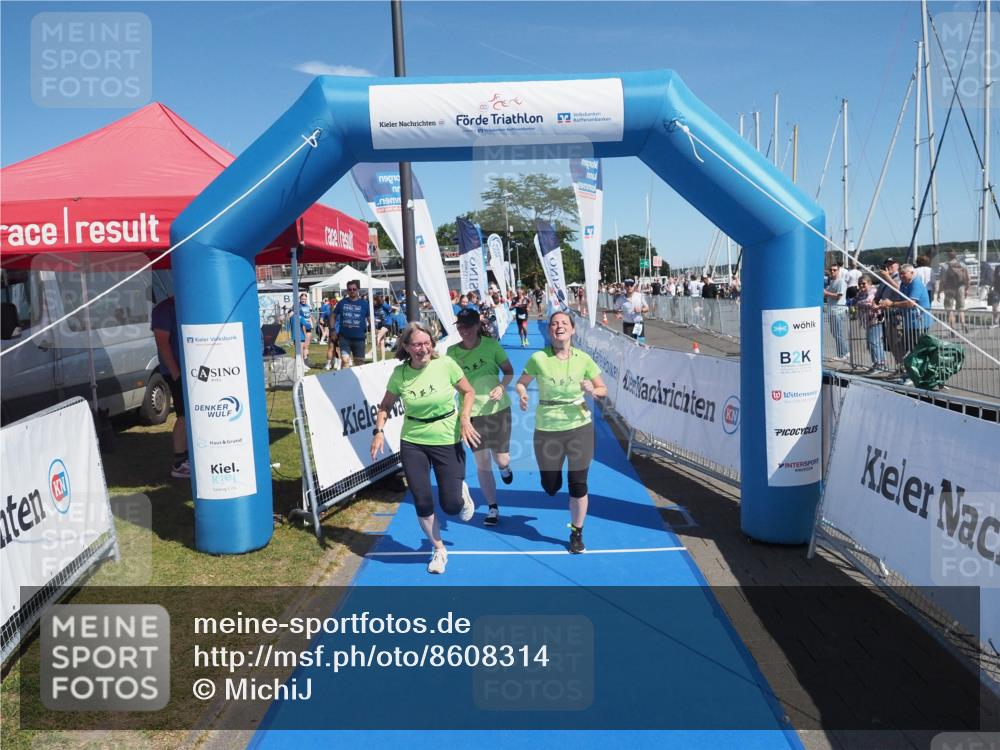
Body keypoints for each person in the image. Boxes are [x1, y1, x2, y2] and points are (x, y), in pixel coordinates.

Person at [371, 322, 479, 574]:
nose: (423, 348)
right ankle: (439, 549)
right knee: (421, 499)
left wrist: (465, 418)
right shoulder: (400, 374)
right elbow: (385, 406)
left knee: (451, 505)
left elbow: (469, 392)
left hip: (446, 437)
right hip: (414, 440)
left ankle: (460, 493)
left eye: (427, 343)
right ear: (407, 347)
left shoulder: (446, 365)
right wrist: (378, 432)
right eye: (417, 344)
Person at [515, 311, 608, 553]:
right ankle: (550, 480)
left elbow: (603, 389)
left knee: (578, 484)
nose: (559, 327)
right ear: (549, 331)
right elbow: (521, 382)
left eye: (564, 323)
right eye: (555, 323)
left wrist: (593, 389)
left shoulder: (584, 359)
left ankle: (576, 532)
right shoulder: (538, 358)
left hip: (579, 426)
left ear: (573, 330)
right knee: (551, 485)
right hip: (547, 429)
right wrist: (523, 394)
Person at [447, 309, 514, 527]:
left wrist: (501, 387)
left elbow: (509, 371)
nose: (463, 331)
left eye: (467, 326)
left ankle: (505, 468)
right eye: (460, 326)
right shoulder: (451, 352)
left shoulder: (491, 345)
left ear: (477, 326)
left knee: (501, 459)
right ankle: (492, 507)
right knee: (482, 463)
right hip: (471, 415)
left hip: (498, 410)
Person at [151, 296, 188, 479]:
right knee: (183, 415)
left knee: (192, 415)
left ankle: (189, 458)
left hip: (193, 371)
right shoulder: (163, 309)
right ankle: (179, 463)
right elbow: (162, 342)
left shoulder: (188, 303)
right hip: (177, 372)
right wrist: (175, 372)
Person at [880, 263, 932, 385]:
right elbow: (901, 301)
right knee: (908, 349)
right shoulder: (904, 284)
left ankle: (917, 376)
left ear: (912, 273)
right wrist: (887, 308)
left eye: (904, 273)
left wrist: (891, 304)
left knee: (916, 350)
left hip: (920, 322)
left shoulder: (916, 283)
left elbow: (910, 303)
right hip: (909, 322)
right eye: (900, 274)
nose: (902, 276)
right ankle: (910, 374)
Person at [330, 280, 370, 369]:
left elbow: (369, 318)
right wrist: (332, 330)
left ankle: (358, 382)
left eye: (354, 289)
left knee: (360, 364)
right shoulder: (342, 303)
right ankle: (345, 381)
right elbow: (333, 316)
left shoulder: (364, 304)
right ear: (347, 290)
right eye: (349, 289)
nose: (352, 291)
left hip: (359, 338)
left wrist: (375, 330)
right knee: (345, 360)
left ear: (358, 289)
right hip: (344, 338)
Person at [853, 275, 887, 373]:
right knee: (871, 343)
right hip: (867, 321)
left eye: (863, 283)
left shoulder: (873, 291)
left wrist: (858, 303)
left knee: (874, 343)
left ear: (869, 283)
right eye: (859, 284)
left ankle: (880, 364)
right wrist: (857, 302)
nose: (861, 285)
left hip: (875, 320)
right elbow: (853, 301)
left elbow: (869, 302)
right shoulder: (860, 293)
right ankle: (876, 363)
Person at [823, 263, 850, 361]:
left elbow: (839, 296)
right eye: (831, 270)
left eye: (834, 270)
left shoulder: (841, 282)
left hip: (838, 311)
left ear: (838, 271)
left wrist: (826, 293)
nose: (832, 272)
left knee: (838, 333)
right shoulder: (831, 282)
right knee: (835, 333)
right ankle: (846, 352)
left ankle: (841, 354)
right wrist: (826, 293)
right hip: (832, 310)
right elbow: (828, 295)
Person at [941, 249, 971, 333]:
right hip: (961, 288)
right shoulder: (962, 265)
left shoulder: (944, 266)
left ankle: (952, 329)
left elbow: (942, 280)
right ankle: (963, 324)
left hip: (949, 288)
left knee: (949, 309)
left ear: (947, 256)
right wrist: (966, 289)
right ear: (955, 255)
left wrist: (940, 291)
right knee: (961, 308)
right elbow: (968, 279)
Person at [296, 292, 313, 363]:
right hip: (302, 326)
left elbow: (310, 315)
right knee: (302, 345)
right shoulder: (298, 306)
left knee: (307, 344)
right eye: (302, 299)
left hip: (308, 326)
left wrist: (312, 323)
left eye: (305, 299)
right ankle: (301, 360)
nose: (304, 300)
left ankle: (306, 359)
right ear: (300, 299)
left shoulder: (308, 306)